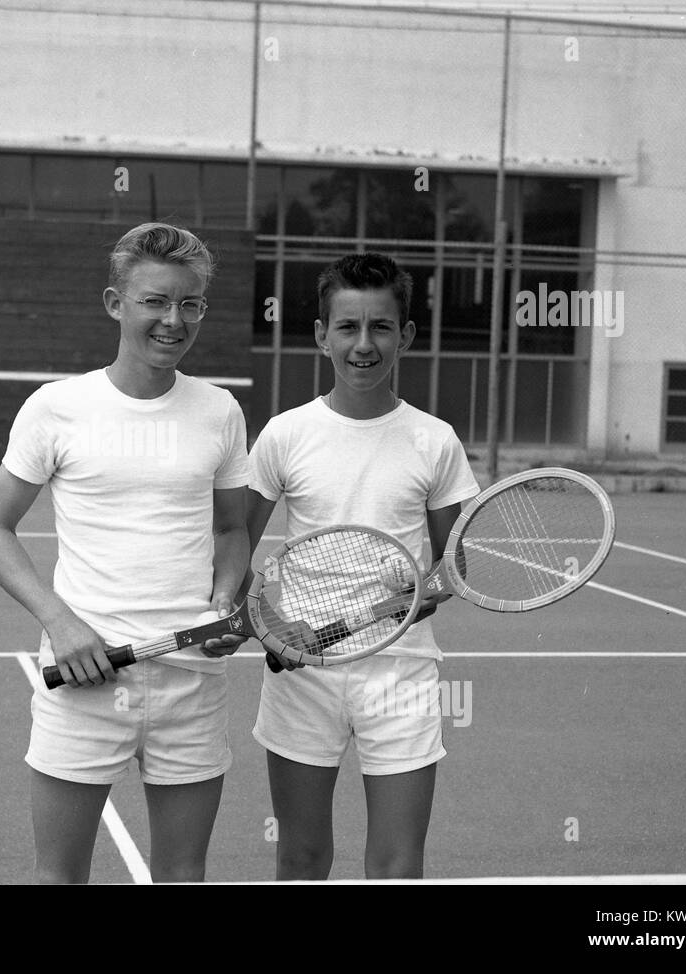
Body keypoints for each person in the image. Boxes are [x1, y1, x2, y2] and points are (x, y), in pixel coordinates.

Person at [0, 223, 250, 884]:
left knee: (183, 875)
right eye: (155, 301)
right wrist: (60, 622)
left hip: (192, 682)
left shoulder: (221, 412)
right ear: (115, 303)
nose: (173, 320)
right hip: (84, 684)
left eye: (189, 304)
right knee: (60, 876)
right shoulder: (57, 408)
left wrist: (224, 598)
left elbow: (230, 531)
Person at [244, 252, 480, 880]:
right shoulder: (284, 435)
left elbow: (454, 563)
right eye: (347, 327)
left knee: (398, 865)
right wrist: (270, 625)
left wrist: (424, 590)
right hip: (302, 672)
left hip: (401, 671)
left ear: (405, 335)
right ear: (322, 335)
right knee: (302, 857)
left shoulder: (435, 440)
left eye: (381, 327)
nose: (364, 344)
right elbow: (233, 553)